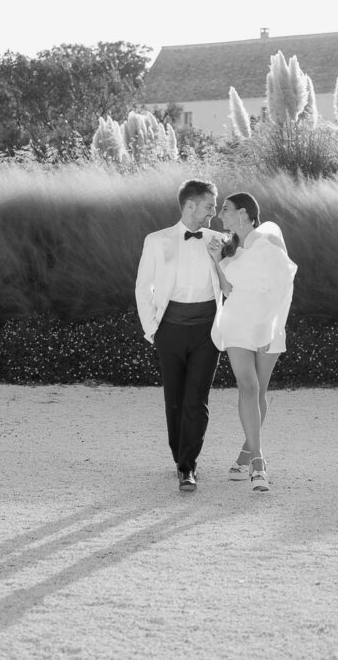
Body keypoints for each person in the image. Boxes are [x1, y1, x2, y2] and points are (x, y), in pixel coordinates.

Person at [135, 178, 223, 493]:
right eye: (210, 205)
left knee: (196, 399)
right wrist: (152, 330)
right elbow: (143, 287)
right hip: (169, 330)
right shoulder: (156, 241)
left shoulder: (219, 240)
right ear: (190, 205)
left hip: (207, 331)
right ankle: (179, 457)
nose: (214, 212)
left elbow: (231, 284)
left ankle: (188, 466)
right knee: (174, 398)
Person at [207, 192, 297, 492]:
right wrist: (217, 260)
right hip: (237, 321)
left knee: (260, 391)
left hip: (267, 323)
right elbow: (229, 290)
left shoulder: (267, 242)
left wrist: (269, 328)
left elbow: (284, 286)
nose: (221, 214)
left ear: (244, 213)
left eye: (226, 209)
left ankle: (246, 451)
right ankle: (259, 461)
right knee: (248, 386)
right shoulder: (230, 248)